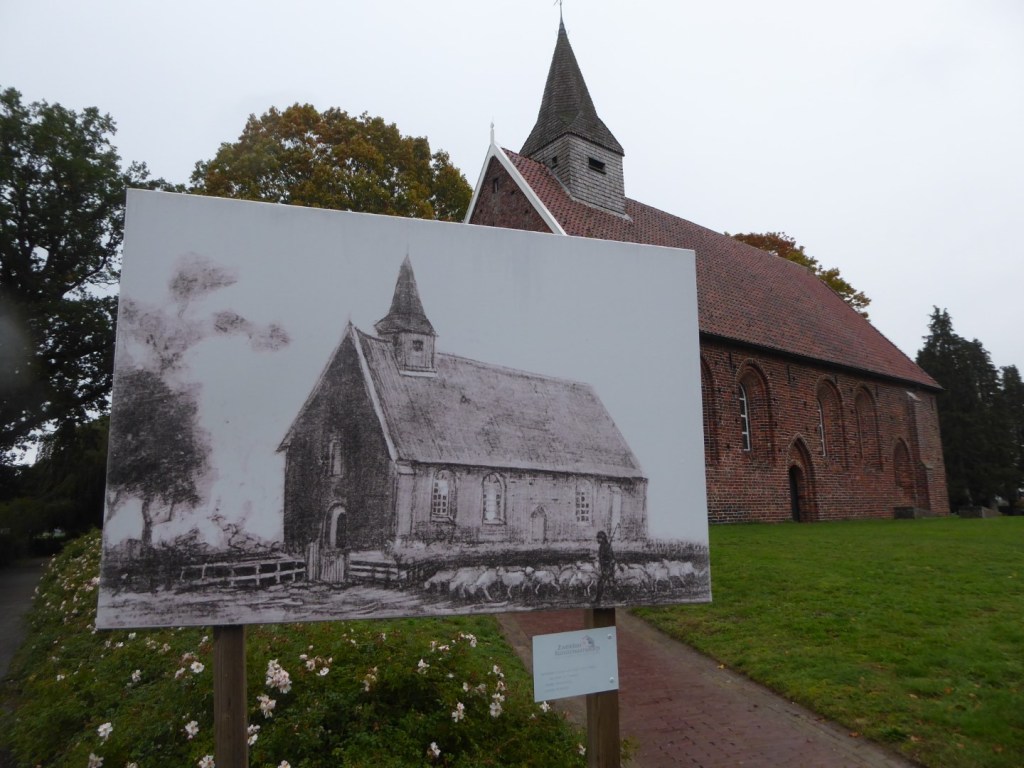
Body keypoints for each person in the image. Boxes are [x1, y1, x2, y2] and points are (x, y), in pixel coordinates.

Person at [595, 530, 615, 604]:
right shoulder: (602, 546)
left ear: (602, 538)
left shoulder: (606, 546)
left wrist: (606, 565)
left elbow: (611, 558)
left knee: (601, 583)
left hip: (607, 568)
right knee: (610, 583)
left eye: (599, 538)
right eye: (597, 538)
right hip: (604, 567)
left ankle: (597, 600)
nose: (597, 540)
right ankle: (619, 595)